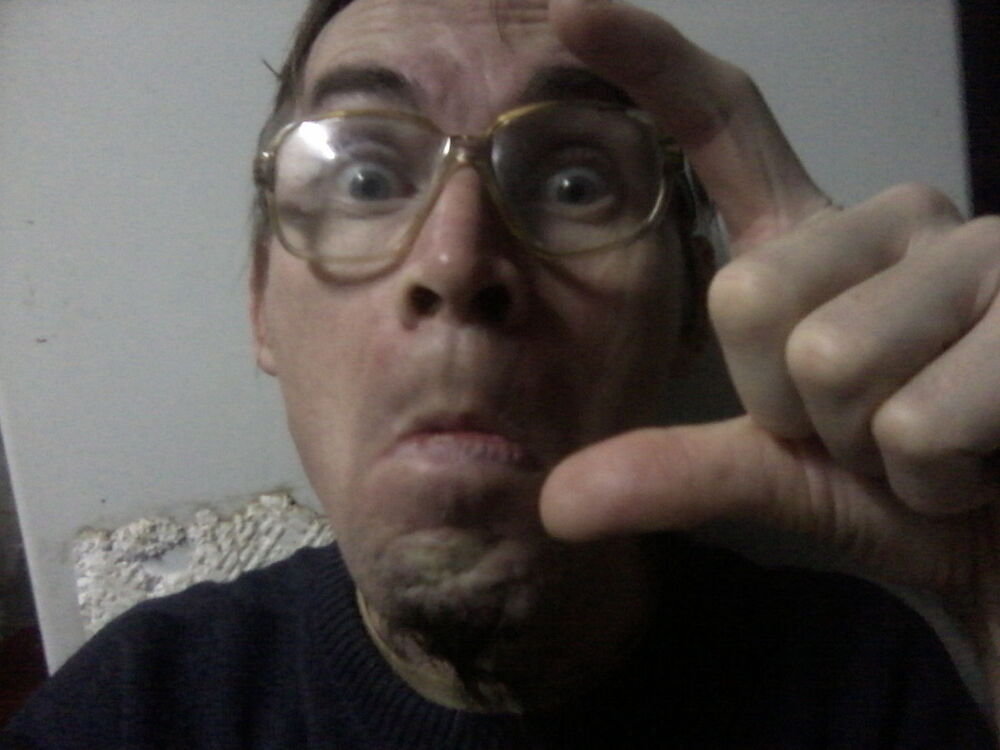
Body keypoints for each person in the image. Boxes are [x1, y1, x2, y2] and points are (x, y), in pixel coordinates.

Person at [4, 0, 998, 747]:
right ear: (263, 304)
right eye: (366, 178)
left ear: (689, 307)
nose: (455, 261)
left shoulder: (870, 694)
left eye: (573, 181)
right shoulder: (131, 714)